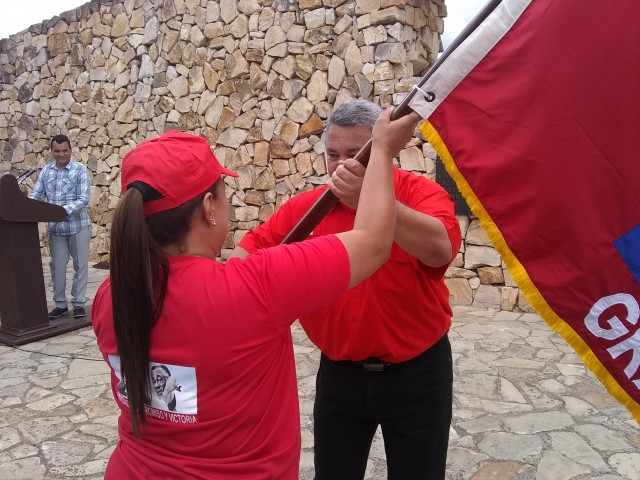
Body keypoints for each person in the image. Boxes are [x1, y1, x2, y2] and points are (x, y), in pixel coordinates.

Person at [91, 113, 420, 479]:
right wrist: (383, 151)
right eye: (223, 195)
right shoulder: (255, 287)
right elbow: (374, 244)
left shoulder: (109, 295)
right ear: (208, 208)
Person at [232, 99, 462, 480]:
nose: (341, 165)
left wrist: (373, 200)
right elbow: (250, 249)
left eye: (356, 154)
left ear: (383, 149)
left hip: (418, 373)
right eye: (332, 154)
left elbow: (440, 249)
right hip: (340, 376)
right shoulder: (308, 210)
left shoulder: (420, 194)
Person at [30, 134, 92, 319]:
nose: (61, 154)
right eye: (57, 151)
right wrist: (26, 207)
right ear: (52, 151)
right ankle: (60, 304)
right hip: (56, 229)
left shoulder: (80, 170)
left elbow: (83, 198)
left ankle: (79, 303)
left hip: (78, 226)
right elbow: (37, 196)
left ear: (70, 149)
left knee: (80, 265)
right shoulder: (46, 172)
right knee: (57, 266)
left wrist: (61, 211)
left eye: (65, 150)